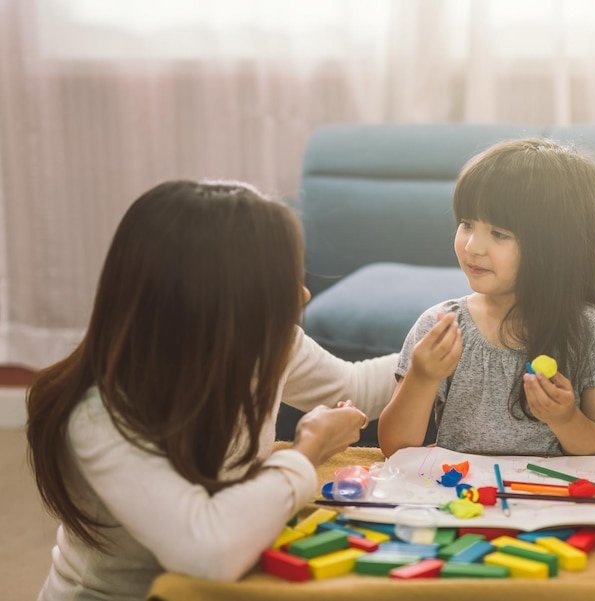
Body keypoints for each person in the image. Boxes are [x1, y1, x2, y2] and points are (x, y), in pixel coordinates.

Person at [27, 180, 397, 600]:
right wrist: (307, 451)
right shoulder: (99, 413)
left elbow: (353, 386)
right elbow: (208, 551)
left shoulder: (263, 344)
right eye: (279, 280)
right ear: (219, 297)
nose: (303, 295)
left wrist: (455, 324)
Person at [378, 139, 595, 457]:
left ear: (554, 246)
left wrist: (565, 419)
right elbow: (395, 448)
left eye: (499, 234)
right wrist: (422, 376)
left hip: (549, 501)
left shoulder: (592, 330)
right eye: (467, 224)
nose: (472, 247)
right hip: (463, 499)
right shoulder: (441, 326)